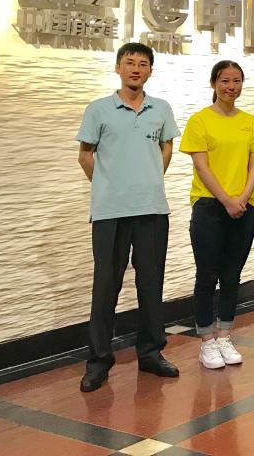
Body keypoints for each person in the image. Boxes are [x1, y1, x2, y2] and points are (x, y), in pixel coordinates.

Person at [76, 42, 181, 392]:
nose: (136, 68)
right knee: (106, 286)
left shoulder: (161, 108)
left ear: (150, 70)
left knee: (151, 285)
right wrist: (109, 186)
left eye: (142, 63)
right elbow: (85, 155)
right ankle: (98, 361)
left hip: (152, 209)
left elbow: (167, 147)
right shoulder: (98, 109)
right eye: (129, 62)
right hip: (110, 212)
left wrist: (148, 180)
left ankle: (151, 353)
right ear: (118, 67)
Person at [180, 60, 254, 370]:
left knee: (232, 275)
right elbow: (201, 166)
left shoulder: (250, 122)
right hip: (209, 206)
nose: (231, 87)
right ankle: (207, 340)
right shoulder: (200, 121)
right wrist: (226, 199)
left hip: (244, 207)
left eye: (237, 81)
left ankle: (225, 336)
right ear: (213, 84)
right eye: (225, 81)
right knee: (207, 275)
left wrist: (241, 198)